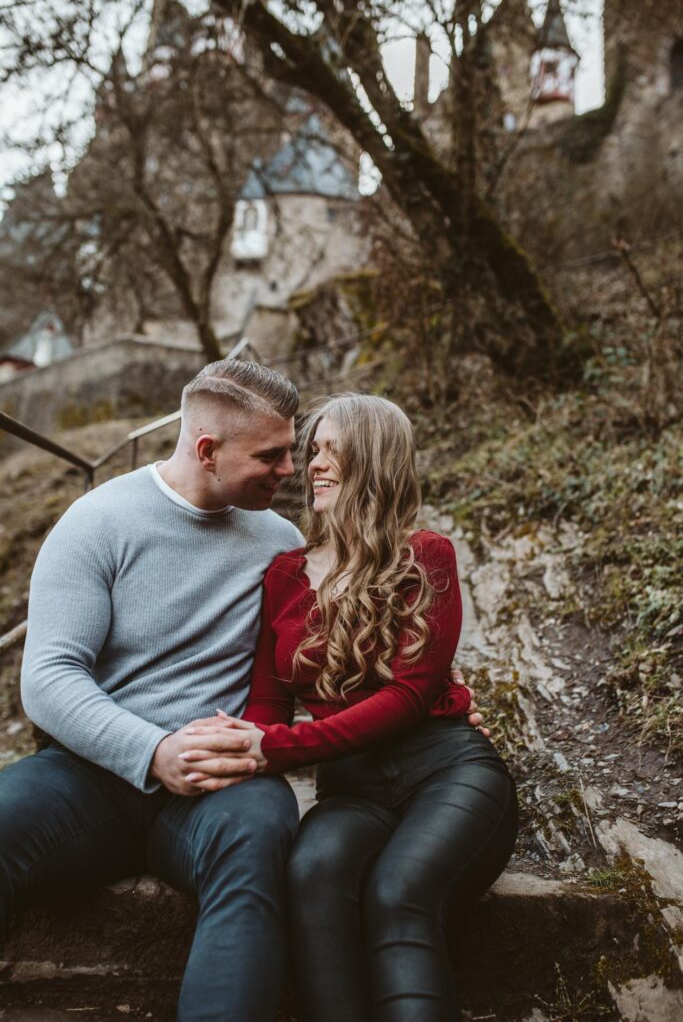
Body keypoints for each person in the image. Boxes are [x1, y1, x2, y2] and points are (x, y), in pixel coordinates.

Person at [179, 393, 518, 1022]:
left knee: (397, 892)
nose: (313, 464)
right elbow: (268, 700)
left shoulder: (425, 555)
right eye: (313, 451)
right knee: (312, 875)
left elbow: (410, 696)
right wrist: (240, 747)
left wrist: (274, 749)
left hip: (446, 771)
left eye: (333, 449)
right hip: (353, 789)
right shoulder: (283, 572)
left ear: (377, 459)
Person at [1, 359, 306, 1022]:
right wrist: (154, 750)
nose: (290, 470)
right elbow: (49, 679)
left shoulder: (282, 541)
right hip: (93, 776)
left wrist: (440, 698)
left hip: (221, 787)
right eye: (271, 455)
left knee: (258, 850)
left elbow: (315, 664)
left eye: (292, 451)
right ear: (206, 449)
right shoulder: (97, 523)